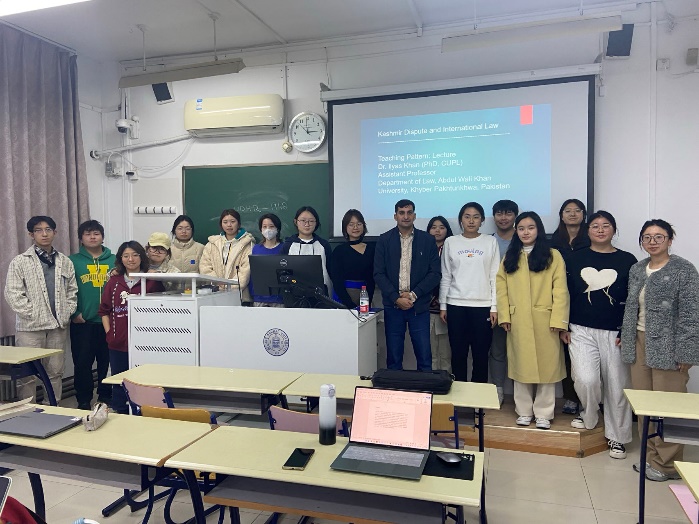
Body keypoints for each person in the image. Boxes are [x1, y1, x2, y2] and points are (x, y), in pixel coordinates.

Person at [621, 220, 699, 481]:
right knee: (645, 404)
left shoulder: (684, 269)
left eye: (659, 236)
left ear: (670, 240)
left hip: (671, 345)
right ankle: (649, 456)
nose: (652, 241)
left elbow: (691, 314)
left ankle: (667, 465)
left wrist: (686, 352)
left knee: (669, 405)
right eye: (647, 237)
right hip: (639, 341)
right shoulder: (637, 269)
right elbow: (631, 307)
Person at [562, 211, 636, 459]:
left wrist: (627, 330)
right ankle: (589, 413)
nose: (601, 230)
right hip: (580, 329)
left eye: (606, 225)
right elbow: (564, 294)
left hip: (615, 333)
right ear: (588, 230)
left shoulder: (628, 260)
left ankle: (618, 437)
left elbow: (633, 299)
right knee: (585, 380)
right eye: (595, 226)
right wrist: (563, 325)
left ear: (614, 230)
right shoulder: (574, 258)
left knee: (617, 385)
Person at [496, 211, 569, 430]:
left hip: (546, 320)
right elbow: (501, 288)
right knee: (521, 367)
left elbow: (561, 290)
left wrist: (559, 319)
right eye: (521, 228)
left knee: (547, 367)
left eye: (530, 228)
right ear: (516, 232)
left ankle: (544, 413)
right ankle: (524, 411)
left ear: (539, 229)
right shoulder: (510, 256)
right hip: (517, 319)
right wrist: (505, 315)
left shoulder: (553, 255)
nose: (525, 232)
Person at [4, 216, 77, 403]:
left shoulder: (65, 261)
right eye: (38, 230)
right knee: (27, 374)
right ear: (31, 234)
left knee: (55, 372)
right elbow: (13, 293)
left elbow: (72, 291)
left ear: (55, 232)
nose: (44, 234)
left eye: (48, 229)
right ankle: (29, 412)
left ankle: (53, 408)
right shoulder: (20, 261)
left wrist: (67, 312)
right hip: (30, 328)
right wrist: (33, 314)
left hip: (57, 327)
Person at [374, 199, 441, 371]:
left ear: (414, 216)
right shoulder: (384, 240)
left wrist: (413, 295)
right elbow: (378, 274)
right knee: (394, 358)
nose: (406, 216)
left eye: (409, 212)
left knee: (424, 357)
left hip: (418, 306)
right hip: (393, 306)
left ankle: (424, 388)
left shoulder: (427, 240)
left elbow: (435, 274)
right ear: (395, 216)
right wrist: (396, 298)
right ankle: (395, 388)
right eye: (401, 213)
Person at [98, 241, 164, 414]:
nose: (131, 259)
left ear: (142, 257)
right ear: (121, 259)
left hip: (146, 342)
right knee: (120, 378)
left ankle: (145, 411)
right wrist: (109, 333)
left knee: (145, 379)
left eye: (135, 255)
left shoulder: (151, 281)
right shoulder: (114, 281)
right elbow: (104, 311)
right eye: (126, 256)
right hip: (118, 341)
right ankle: (120, 411)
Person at [439, 203, 499, 383]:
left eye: (476, 217)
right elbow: (446, 276)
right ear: (461, 220)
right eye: (467, 216)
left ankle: (478, 397)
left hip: (483, 306)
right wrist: (443, 305)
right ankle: (459, 394)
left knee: (481, 356)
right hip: (456, 305)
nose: (471, 221)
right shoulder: (451, 242)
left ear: (482, 220)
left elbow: (495, 276)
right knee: (458, 355)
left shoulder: (490, 241)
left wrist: (494, 307)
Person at [69, 220, 116, 410]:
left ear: (102, 237)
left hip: (110, 322)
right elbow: (64, 290)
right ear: (81, 238)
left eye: (96, 233)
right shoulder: (72, 261)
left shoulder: (115, 260)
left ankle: (106, 397)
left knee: (108, 363)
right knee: (82, 363)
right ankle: (83, 399)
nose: (92, 237)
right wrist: (74, 312)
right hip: (83, 322)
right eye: (88, 234)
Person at [550, 198, 590, 415]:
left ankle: (588, 398)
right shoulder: (552, 241)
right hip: (557, 299)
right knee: (565, 352)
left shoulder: (590, 239)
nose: (573, 214)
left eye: (577, 210)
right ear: (561, 215)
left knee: (584, 354)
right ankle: (571, 397)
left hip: (584, 299)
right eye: (568, 210)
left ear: (583, 214)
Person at [490, 199, 518, 405]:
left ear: (515, 216)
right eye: (499, 213)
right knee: (497, 350)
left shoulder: (524, 239)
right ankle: (498, 389)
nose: (503, 218)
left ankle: (522, 392)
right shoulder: (488, 241)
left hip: (520, 304)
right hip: (495, 304)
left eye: (508, 213)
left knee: (521, 350)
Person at [200, 209, 255, 302]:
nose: (229, 225)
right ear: (221, 224)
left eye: (233, 221)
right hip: (214, 295)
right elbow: (205, 267)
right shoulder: (212, 244)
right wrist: (218, 283)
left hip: (240, 297)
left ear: (239, 224)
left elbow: (245, 272)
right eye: (225, 222)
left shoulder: (247, 245)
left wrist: (228, 286)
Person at [280, 206, 333, 297]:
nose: (307, 224)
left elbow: (331, 271)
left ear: (316, 223)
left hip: (321, 295)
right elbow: (282, 271)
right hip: (295, 295)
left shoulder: (323, 245)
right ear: (296, 222)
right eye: (303, 220)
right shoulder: (288, 245)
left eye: (311, 221)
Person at [331, 209, 375, 309]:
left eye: (359, 224)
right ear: (345, 227)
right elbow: (336, 281)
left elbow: (372, 279)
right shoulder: (339, 251)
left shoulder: (371, 249)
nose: (355, 227)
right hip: (343, 298)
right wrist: (349, 304)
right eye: (351, 224)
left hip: (365, 296)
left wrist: (367, 300)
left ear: (363, 226)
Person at [427, 216, 453, 373]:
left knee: (445, 352)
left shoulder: (452, 248)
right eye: (434, 227)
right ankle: (431, 381)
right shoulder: (422, 248)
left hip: (447, 307)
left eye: (442, 227)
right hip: (426, 307)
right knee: (430, 352)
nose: (437, 230)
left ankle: (445, 380)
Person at [250, 213, 284, 307]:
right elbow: (253, 274)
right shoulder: (256, 249)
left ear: (277, 228)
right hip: (259, 297)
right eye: (264, 227)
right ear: (261, 229)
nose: (268, 230)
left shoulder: (284, 248)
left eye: (271, 226)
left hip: (279, 299)